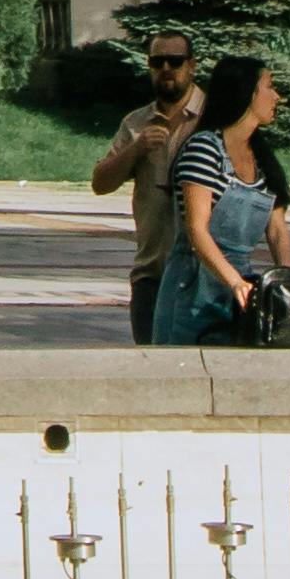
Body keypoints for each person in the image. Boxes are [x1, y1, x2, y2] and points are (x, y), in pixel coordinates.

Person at [159, 51, 290, 344]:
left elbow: (277, 230)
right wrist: (233, 281)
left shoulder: (262, 158)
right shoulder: (204, 149)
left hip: (240, 286)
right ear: (247, 93)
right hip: (194, 284)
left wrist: (286, 286)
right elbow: (197, 229)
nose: (278, 97)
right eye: (270, 86)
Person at [91, 26, 203, 343]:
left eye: (175, 61)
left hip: (202, 274)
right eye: (157, 62)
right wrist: (136, 149)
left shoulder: (213, 117)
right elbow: (101, 183)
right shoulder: (136, 123)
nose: (166, 69)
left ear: (192, 65)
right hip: (151, 274)